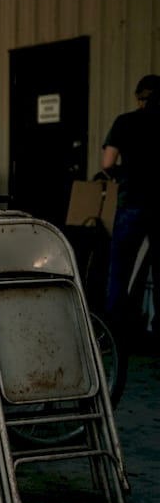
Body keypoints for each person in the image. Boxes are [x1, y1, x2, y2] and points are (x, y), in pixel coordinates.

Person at [101, 74, 160, 339]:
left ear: (138, 98)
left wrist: (122, 174)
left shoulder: (125, 122)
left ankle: (114, 331)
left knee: (120, 268)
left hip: (132, 202)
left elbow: (107, 162)